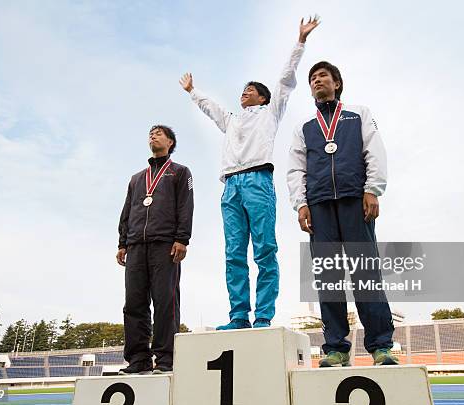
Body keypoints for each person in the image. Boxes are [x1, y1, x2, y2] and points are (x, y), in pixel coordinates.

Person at [178, 17, 319, 330]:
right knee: (233, 254)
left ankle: (263, 316)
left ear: (263, 98)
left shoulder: (270, 113)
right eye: (243, 89)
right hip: (231, 186)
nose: (245, 92)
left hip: (258, 181)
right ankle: (239, 315)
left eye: (251, 90)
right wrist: (192, 91)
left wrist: (300, 41)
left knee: (265, 249)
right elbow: (210, 107)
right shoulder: (231, 120)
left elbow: (285, 80)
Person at [287, 61, 398, 366]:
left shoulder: (358, 114)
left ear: (337, 83)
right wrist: (300, 204)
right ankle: (336, 347)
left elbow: (374, 150)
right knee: (328, 278)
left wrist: (373, 188)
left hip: (354, 199)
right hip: (319, 205)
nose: (316, 81)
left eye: (323, 76)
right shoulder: (304, 127)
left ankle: (381, 346)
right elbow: (296, 168)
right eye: (312, 78)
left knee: (366, 274)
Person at [116, 125, 194, 374]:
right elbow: (127, 211)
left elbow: (185, 206)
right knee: (134, 303)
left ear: (170, 142)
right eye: (150, 133)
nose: (153, 135)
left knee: (165, 301)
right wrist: (122, 242)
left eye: (159, 133)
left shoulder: (180, 172)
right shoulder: (137, 178)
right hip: (136, 245)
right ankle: (138, 359)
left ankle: (166, 358)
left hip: (165, 244)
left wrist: (182, 238)